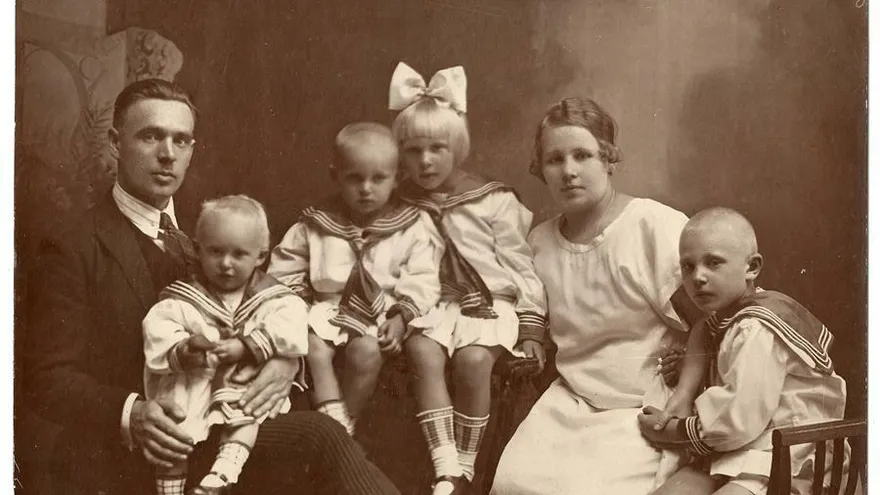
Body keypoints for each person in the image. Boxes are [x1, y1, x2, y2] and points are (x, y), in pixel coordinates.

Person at [21, 78, 399, 494]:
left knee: (325, 437)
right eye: (150, 136)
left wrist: (286, 364)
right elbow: (46, 379)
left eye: (181, 141)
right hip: (143, 444)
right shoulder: (72, 243)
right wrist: (133, 412)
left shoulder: (214, 220)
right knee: (323, 437)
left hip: (225, 421)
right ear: (115, 142)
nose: (167, 154)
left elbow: (268, 301)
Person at [491, 96, 702, 495]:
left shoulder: (651, 226)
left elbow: (710, 321)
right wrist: (530, 340)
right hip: (570, 403)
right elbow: (533, 315)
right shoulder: (539, 242)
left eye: (582, 155)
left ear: (609, 159)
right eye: (555, 160)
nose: (569, 171)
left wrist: (690, 364)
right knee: (514, 483)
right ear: (541, 169)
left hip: (641, 405)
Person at [388, 62, 548, 495]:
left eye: (437, 148)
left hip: (488, 304)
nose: (425, 161)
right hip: (432, 305)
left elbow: (520, 265)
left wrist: (532, 324)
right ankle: (444, 465)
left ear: (457, 147)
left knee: (474, 362)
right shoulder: (398, 204)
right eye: (413, 150)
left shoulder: (492, 200)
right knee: (422, 352)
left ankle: (465, 465)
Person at [637, 207, 848, 495]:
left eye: (713, 263)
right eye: (688, 266)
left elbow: (739, 421)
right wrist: (685, 390)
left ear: (752, 268)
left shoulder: (756, 328)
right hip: (744, 445)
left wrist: (676, 432)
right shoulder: (726, 318)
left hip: (791, 453)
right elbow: (702, 330)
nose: (698, 277)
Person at [267, 122, 442, 436]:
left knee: (367, 352)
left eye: (378, 179)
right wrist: (298, 304)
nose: (366, 189)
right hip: (327, 309)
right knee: (313, 347)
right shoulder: (316, 223)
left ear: (397, 177)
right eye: (354, 178)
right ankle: (331, 417)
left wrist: (402, 317)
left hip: (381, 313)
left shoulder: (412, 225)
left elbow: (424, 277)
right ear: (336, 176)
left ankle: (345, 425)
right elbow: (284, 270)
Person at [142, 195, 310, 494]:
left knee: (245, 413)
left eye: (239, 254)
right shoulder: (185, 297)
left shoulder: (271, 296)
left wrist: (246, 346)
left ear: (260, 256)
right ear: (197, 250)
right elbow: (159, 326)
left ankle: (224, 471)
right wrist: (184, 348)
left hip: (241, 383)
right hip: (194, 384)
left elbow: (292, 323)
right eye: (215, 252)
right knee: (174, 432)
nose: (226, 264)